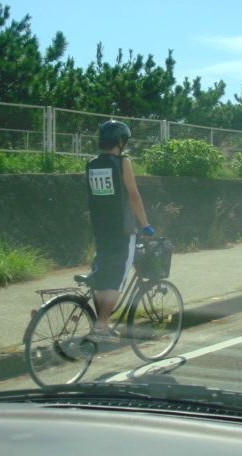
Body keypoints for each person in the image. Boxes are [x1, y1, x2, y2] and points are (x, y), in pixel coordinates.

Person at [85, 120, 154, 343]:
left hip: (100, 229)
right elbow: (133, 195)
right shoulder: (122, 162)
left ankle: (101, 322)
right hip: (122, 230)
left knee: (103, 276)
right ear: (121, 141)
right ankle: (101, 326)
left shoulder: (92, 164)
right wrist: (145, 224)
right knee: (117, 279)